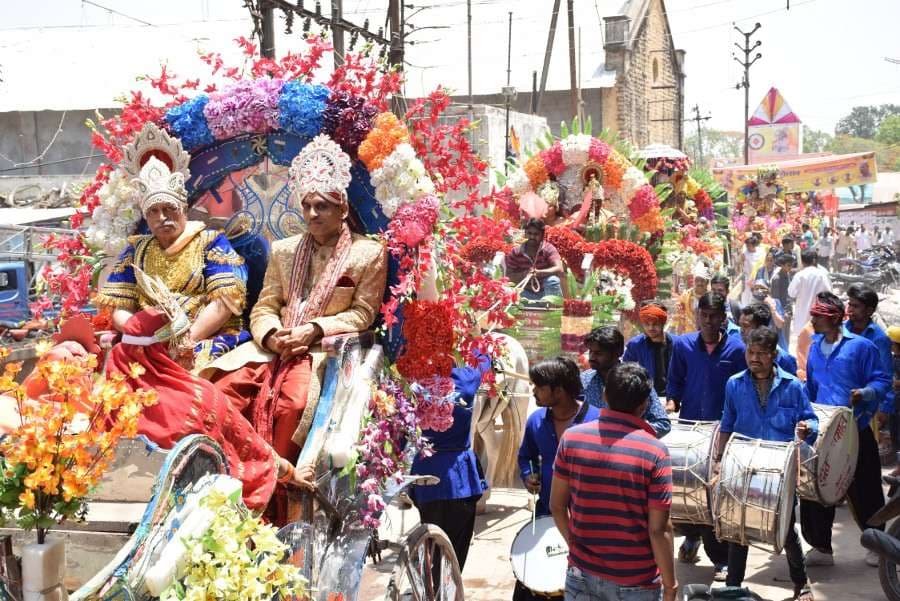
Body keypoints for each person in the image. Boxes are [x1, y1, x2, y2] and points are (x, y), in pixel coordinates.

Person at [212, 134, 388, 525]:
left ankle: (276, 503)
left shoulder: (368, 253)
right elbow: (265, 304)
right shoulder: (285, 250)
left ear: (342, 209)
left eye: (321, 206)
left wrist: (313, 330)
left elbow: (363, 315)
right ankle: (232, 489)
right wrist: (272, 334)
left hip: (321, 352)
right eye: (306, 206)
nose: (312, 214)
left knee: (290, 408)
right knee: (219, 393)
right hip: (271, 348)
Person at [94, 122, 251, 372]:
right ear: (146, 216)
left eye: (169, 209)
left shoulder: (210, 241)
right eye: (154, 211)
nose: (162, 217)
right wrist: (139, 332)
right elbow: (120, 307)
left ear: (184, 210)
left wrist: (186, 340)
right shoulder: (137, 249)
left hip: (203, 337)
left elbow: (224, 303)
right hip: (148, 340)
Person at [550, 363, 677, 601]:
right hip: (637, 582)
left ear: (605, 395)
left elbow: (557, 507)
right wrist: (671, 586)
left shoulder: (572, 438)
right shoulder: (655, 452)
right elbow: (659, 529)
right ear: (644, 405)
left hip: (581, 575)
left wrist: (575, 549)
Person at [716, 327, 817, 601]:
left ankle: (801, 582)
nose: (755, 358)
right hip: (742, 466)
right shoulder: (734, 384)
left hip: (780, 470)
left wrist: (809, 429)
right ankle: (733, 586)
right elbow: (727, 425)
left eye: (762, 353)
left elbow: (811, 419)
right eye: (751, 352)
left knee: (784, 529)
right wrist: (717, 463)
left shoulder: (793, 386)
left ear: (774, 355)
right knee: (738, 528)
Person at [800, 292, 891, 568]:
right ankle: (821, 546)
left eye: (817, 315)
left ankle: (877, 543)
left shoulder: (862, 347)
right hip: (822, 430)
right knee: (816, 486)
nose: (812, 320)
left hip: (855, 427)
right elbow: (812, 386)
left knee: (866, 487)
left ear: (833, 318)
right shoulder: (815, 346)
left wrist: (865, 392)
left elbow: (882, 379)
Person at [666, 292, 746, 579]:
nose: (709, 322)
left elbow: (742, 391)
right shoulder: (683, 344)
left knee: (714, 496)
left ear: (724, 318)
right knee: (685, 488)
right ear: (697, 316)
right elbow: (674, 381)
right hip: (690, 431)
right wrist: (672, 402)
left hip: (721, 433)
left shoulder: (737, 350)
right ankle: (691, 535)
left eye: (715, 316)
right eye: (704, 315)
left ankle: (721, 559)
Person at [516, 357, 600, 601]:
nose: (533, 392)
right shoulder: (535, 421)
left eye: (539, 386)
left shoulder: (597, 420)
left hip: (588, 522)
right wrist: (527, 475)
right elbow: (525, 456)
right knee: (538, 580)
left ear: (559, 390)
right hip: (546, 514)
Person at [411, 358, 490, 573]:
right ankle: (449, 586)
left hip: (425, 475)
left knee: (431, 540)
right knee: (456, 547)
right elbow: (483, 357)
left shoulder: (412, 380)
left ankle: (432, 584)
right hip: (460, 477)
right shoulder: (466, 379)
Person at [581, 326, 671, 438]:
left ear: (617, 353)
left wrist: (630, 437)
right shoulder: (584, 380)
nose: (592, 357)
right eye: (591, 351)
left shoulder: (636, 380)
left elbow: (662, 424)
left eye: (598, 353)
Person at [844, 284, 894, 429]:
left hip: (867, 409)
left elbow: (886, 375)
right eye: (850, 305)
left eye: (856, 306)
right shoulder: (841, 331)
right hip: (841, 404)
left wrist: (885, 408)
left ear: (869, 310)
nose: (850, 310)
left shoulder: (879, 338)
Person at [505, 218, 564, 301]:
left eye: (536, 234)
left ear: (542, 235)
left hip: (546, 293)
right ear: (525, 234)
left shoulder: (549, 249)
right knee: (506, 289)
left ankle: (552, 307)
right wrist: (525, 274)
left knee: (552, 280)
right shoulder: (516, 252)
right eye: (529, 233)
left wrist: (539, 273)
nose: (532, 237)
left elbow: (559, 268)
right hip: (524, 293)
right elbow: (508, 276)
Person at [623, 302, 675, 398]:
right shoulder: (635, 345)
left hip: (674, 397)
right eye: (647, 324)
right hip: (646, 397)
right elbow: (626, 371)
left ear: (663, 323)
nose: (650, 328)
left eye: (655, 324)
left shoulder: (677, 343)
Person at [738, 303, 796, 373]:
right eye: (740, 325)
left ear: (761, 328)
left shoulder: (783, 360)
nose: (741, 330)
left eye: (746, 326)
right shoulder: (738, 351)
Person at [788, 250, 832, 340]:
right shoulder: (822, 274)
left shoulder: (799, 275)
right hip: (818, 317)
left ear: (803, 261)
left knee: (802, 347)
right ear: (814, 260)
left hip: (802, 318)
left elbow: (791, 293)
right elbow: (829, 294)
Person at [672, 261, 711, 335]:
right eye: (697, 280)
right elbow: (680, 318)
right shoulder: (685, 296)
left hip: (707, 335)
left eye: (702, 280)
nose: (699, 283)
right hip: (689, 336)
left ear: (707, 282)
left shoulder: (711, 297)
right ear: (694, 281)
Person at [770, 253, 795, 344]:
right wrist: (782, 312)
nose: (790, 267)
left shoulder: (788, 275)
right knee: (781, 338)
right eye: (788, 265)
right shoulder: (777, 279)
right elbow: (776, 299)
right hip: (781, 312)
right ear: (782, 265)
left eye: (791, 265)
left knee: (786, 336)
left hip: (788, 310)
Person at [739, 234, 765, 306]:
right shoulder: (744, 254)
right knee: (747, 294)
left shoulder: (760, 252)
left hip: (757, 277)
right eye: (747, 245)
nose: (747, 247)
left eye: (749, 245)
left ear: (754, 245)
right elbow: (741, 265)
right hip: (748, 278)